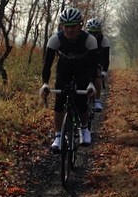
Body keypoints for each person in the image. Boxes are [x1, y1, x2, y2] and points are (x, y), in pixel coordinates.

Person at [39, 8, 98, 152]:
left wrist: (91, 83)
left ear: (80, 25)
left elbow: (92, 65)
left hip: (83, 68)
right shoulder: (55, 40)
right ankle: (58, 136)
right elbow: (47, 64)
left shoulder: (90, 40)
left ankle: (84, 129)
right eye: (66, 26)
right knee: (59, 101)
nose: (70, 30)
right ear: (61, 26)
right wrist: (45, 83)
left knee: (80, 100)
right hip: (64, 68)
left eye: (73, 26)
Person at [85, 17, 110, 112]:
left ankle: (97, 100)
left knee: (97, 73)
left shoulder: (104, 40)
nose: (93, 35)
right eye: (90, 32)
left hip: (98, 61)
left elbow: (106, 58)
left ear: (99, 32)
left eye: (96, 32)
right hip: (85, 60)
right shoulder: (83, 38)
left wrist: (104, 71)